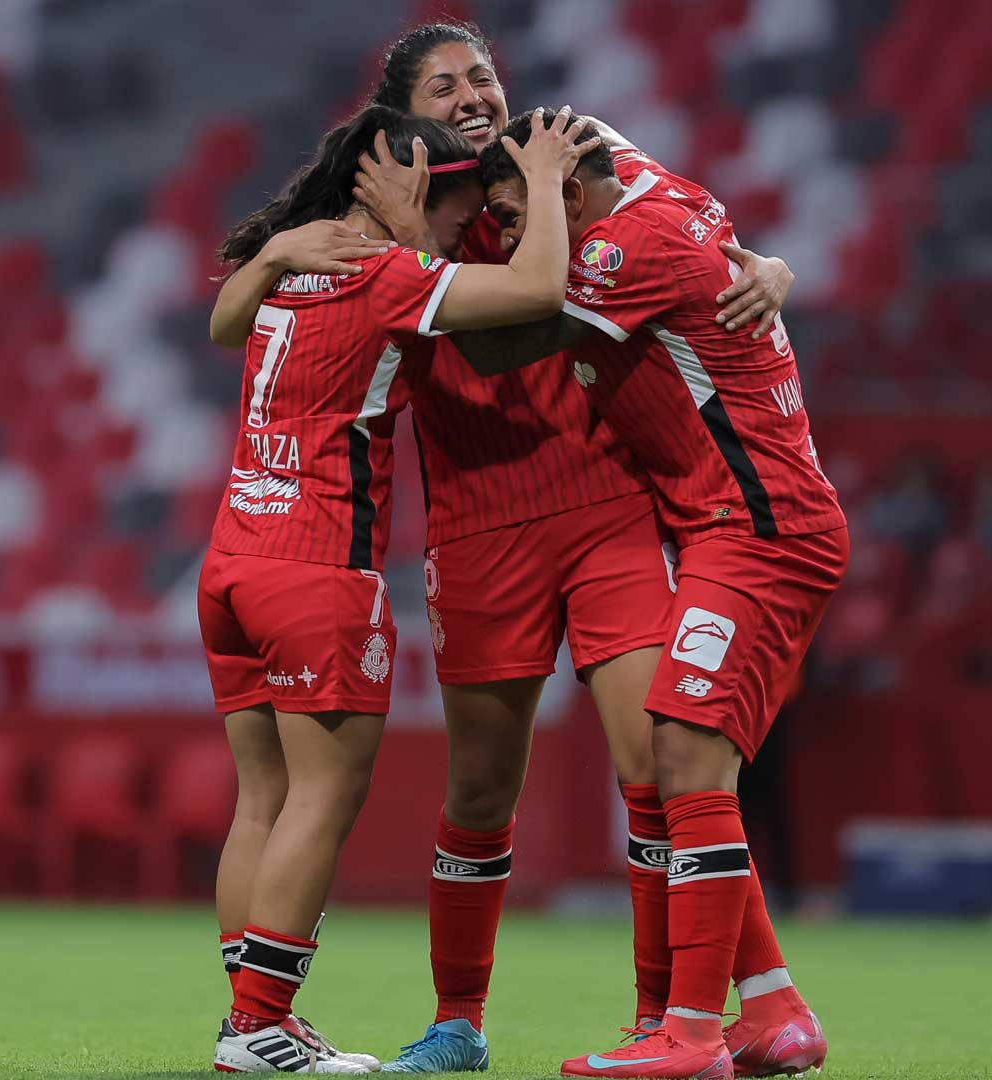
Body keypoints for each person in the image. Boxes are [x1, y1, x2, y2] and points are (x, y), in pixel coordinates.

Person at [211, 22, 801, 1074]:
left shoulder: (557, 156)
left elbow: (690, 220)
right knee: (480, 790)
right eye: (447, 84)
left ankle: (665, 1020)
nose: (476, 94)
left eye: (483, 74)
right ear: (403, 118)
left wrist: (771, 264)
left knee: (657, 764)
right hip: (477, 525)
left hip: (611, 503)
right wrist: (285, 251)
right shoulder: (410, 218)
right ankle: (459, 1024)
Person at [200, 103, 598, 1073]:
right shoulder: (389, 277)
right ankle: (259, 1027)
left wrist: (270, 254)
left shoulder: (297, 264)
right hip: (317, 564)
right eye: (456, 193)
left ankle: (249, 1018)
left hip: (232, 561)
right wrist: (543, 178)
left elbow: (221, 325)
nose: (471, 214)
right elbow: (541, 286)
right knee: (322, 801)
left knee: (262, 798)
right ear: (407, 186)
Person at [465, 113, 846, 1080]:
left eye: (517, 215)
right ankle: (772, 1010)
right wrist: (771, 264)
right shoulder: (628, 180)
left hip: (758, 528)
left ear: (572, 193)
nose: (511, 237)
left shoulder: (621, 248)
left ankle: (691, 1036)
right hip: (730, 523)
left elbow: (504, 337)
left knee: (681, 752)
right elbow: (615, 150)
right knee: (683, 760)